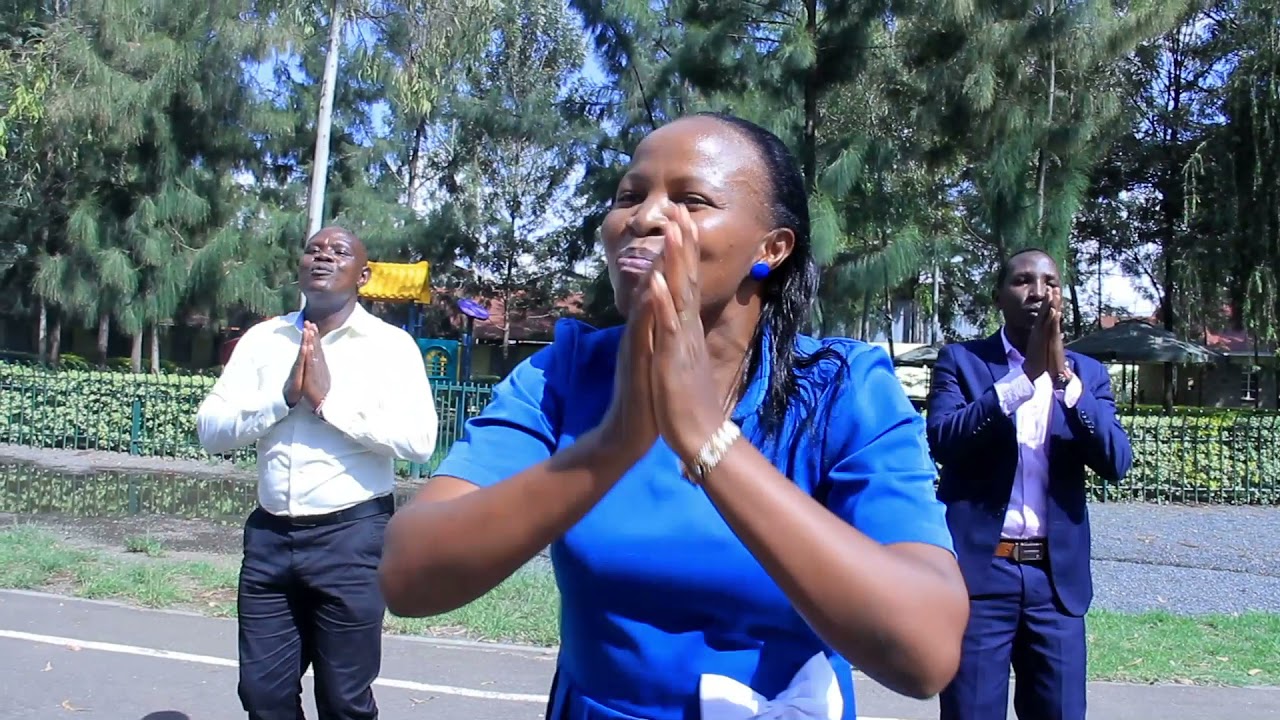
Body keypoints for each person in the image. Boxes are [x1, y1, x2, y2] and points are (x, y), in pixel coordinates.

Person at [378, 113, 969, 720]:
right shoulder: (563, 375)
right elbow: (408, 576)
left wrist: (707, 441)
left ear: (772, 249)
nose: (644, 217)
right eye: (630, 197)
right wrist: (612, 445)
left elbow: (922, 652)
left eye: (691, 200)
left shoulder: (840, 390)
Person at [195, 226, 439, 720]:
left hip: (352, 539)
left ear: (363, 274)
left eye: (339, 251)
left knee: (344, 700)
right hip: (270, 539)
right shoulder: (264, 339)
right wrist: (282, 398)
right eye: (314, 249)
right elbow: (210, 429)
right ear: (300, 267)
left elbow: (419, 442)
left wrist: (327, 401)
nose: (323, 257)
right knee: (263, 695)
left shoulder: (391, 347)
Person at [925, 248, 1133, 720]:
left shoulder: (1088, 374)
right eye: (1023, 281)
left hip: (1055, 584)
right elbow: (943, 440)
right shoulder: (962, 362)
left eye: (1051, 283)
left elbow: (1116, 461)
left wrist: (1061, 379)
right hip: (981, 577)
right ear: (999, 295)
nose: (1039, 292)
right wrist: (1024, 379)